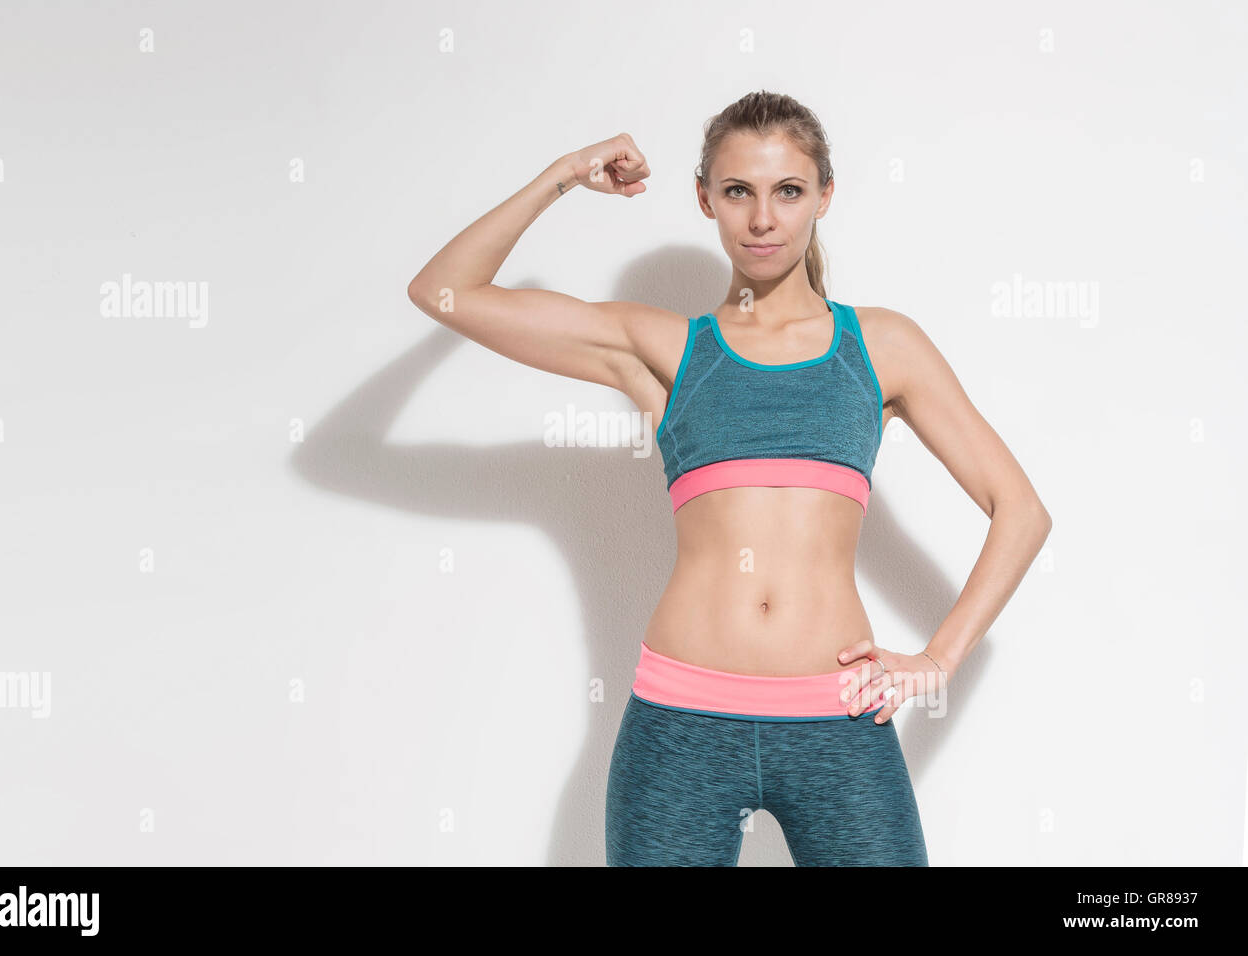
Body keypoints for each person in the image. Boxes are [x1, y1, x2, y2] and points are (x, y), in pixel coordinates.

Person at [407, 90, 1052, 866]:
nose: (762, 219)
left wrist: (939, 659)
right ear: (705, 198)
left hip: (838, 720)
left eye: (788, 191)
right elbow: (444, 291)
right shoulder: (667, 348)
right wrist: (567, 173)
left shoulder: (881, 346)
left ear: (824, 196)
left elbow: (1020, 510)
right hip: (680, 724)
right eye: (738, 191)